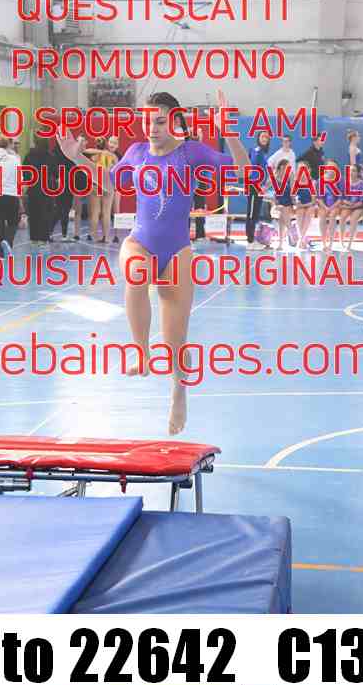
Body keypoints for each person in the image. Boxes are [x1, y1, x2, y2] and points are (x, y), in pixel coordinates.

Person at [56, 89, 249, 436]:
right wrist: (77, 158)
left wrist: (230, 134)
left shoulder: (191, 153)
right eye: (148, 121)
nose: (152, 128)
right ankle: (141, 352)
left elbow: (242, 170)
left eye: (160, 121)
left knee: (176, 342)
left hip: (177, 251)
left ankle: (179, 392)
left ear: (174, 122)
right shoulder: (136, 152)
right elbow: (110, 182)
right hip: (140, 242)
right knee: (136, 273)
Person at [83, 137, 117, 243]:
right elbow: (117, 169)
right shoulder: (112, 156)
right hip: (108, 185)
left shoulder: (92, 155)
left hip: (96, 185)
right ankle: (106, 237)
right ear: (106, 144)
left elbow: (83, 151)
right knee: (106, 213)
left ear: (96, 144)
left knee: (95, 213)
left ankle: (94, 237)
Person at [22, 135, 54, 245]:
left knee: (33, 213)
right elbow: (55, 172)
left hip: (33, 187)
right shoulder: (50, 156)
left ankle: (34, 238)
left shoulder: (29, 156)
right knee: (45, 213)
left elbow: (25, 171)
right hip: (47, 188)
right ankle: (43, 238)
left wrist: (27, 183)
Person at [246, 132, 271, 250]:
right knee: (251, 214)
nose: (265, 139)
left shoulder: (263, 153)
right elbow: (252, 170)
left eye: (266, 137)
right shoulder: (256, 151)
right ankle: (250, 241)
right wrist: (257, 185)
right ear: (258, 138)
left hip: (259, 188)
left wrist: (264, 186)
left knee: (255, 214)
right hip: (253, 187)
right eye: (262, 136)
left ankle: (252, 240)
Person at [48, 140, 74, 242]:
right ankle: (60, 234)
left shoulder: (55, 151)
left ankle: (58, 234)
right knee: (62, 209)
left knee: (61, 209)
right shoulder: (67, 151)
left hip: (62, 182)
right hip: (64, 182)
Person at [338, 164, 363, 252]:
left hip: (359, 206)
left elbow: (362, 201)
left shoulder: (362, 184)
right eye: (350, 170)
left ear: (358, 173)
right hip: (348, 205)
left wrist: (352, 205)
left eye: (353, 170)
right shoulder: (345, 183)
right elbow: (342, 197)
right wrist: (347, 204)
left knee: (353, 219)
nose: (351, 172)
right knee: (342, 218)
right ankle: (341, 241)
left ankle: (350, 243)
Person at [316, 160, 342, 252]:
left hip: (336, 205)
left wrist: (332, 207)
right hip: (324, 205)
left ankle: (330, 243)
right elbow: (319, 198)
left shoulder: (340, 180)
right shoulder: (321, 180)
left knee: (332, 215)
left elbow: (340, 198)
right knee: (322, 216)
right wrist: (325, 207)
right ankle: (324, 243)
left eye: (334, 167)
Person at [271, 159, 294, 252]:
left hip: (288, 202)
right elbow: (271, 191)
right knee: (282, 213)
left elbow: (293, 191)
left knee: (282, 215)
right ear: (281, 167)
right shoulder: (275, 176)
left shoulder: (290, 176)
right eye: (287, 167)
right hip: (278, 203)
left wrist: (294, 202)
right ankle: (291, 233)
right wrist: (274, 203)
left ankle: (281, 243)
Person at [294, 160, 316, 250]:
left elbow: (313, 200)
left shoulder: (312, 182)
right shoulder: (295, 182)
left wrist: (306, 205)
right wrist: (297, 203)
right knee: (300, 211)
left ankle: (301, 240)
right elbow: (293, 198)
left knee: (309, 210)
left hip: (310, 204)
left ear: (309, 170)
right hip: (300, 206)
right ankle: (302, 240)